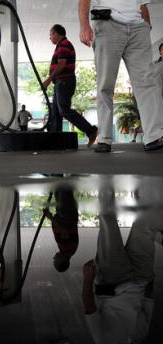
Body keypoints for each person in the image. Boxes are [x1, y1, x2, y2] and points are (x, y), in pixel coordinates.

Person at [79, 0, 163, 153]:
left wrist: (147, 27)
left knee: (147, 81)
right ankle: (105, 138)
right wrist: (84, 26)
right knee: (105, 84)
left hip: (137, 29)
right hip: (108, 25)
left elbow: (142, 3)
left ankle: (154, 136)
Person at [82, 179, 156, 343]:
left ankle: (105, 177)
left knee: (107, 220)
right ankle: (144, 186)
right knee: (147, 224)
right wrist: (149, 276)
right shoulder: (140, 336)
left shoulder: (103, 340)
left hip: (112, 279)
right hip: (141, 277)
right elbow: (147, 301)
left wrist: (88, 279)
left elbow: (89, 308)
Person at [42, 24, 98, 147]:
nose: (50, 37)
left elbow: (61, 65)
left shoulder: (64, 45)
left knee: (64, 110)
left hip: (64, 81)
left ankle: (91, 130)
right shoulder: (61, 46)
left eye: (50, 34)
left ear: (56, 34)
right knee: (55, 112)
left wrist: (48, 79)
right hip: (61, 82)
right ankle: (55, 141)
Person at [44, 186, 79, 273]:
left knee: (59, 186)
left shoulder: (67, 251)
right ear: (61, 261)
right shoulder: (66, 249)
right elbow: (64, 231)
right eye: (55, 261)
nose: (54, 258)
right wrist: (50, 217)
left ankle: (57, 174)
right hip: (66, 213)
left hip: (65, 213)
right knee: (64, 186)